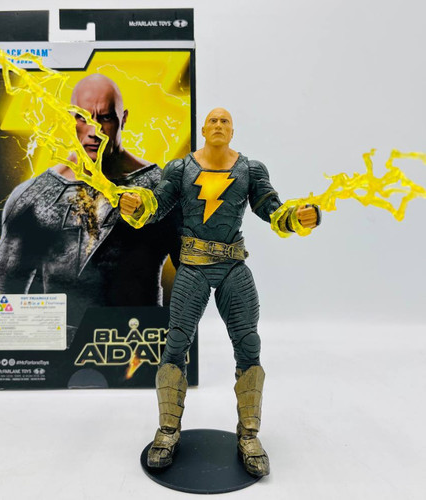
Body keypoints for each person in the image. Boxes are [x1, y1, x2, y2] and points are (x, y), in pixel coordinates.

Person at [120, 108, 320, 477]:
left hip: (232, 266)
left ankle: (249, 435)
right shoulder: (180, 169)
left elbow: (272, 210)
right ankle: (168, 431)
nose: (218, 125)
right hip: (193, 266)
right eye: (212, 120)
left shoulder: (250, 170)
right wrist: (136, 203)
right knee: (175, 345)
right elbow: (157, 205)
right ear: (203, 128)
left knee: (248, 346)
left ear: (232, 130)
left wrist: (297, 217)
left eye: (224, 121)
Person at [0, 74, 180, 344]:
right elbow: (6, 295)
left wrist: (180, 344)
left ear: (123, 119)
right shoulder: (33, 196)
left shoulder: (160, 188)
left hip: (137, 347)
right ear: (70, 119)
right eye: (83, 118)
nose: (94, 130)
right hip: (60, 350)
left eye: (105, 118)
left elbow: (192, 275)